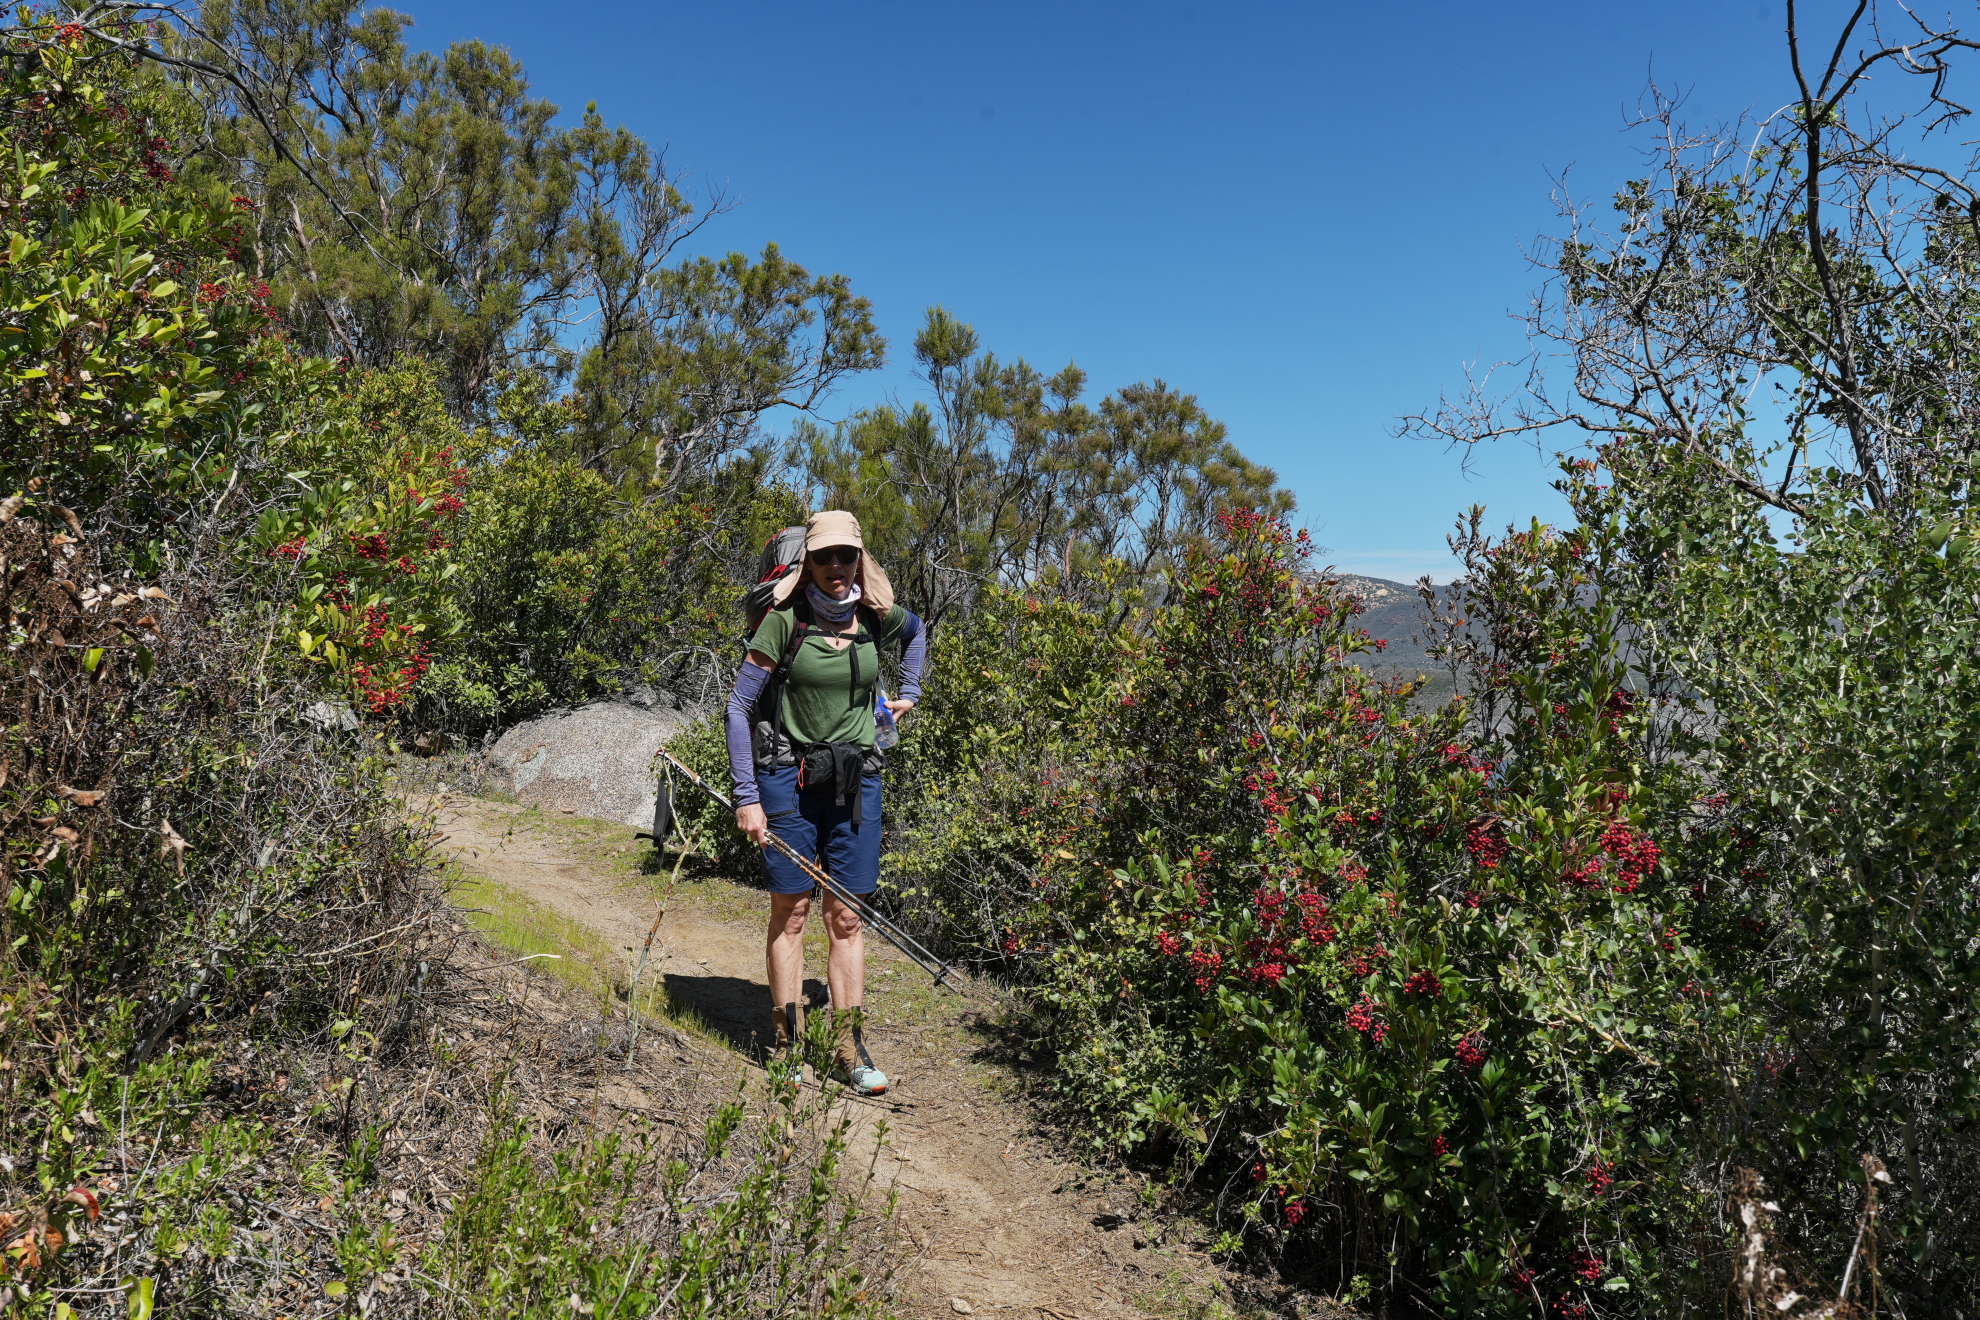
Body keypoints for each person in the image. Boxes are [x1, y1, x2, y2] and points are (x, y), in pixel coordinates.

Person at [723, 510, 926, 1095]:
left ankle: (848, 1047)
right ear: (807, 562)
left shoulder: (873, 619)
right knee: (792, 913)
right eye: (824, 557)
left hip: (856, 780)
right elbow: (739, 707)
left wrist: (904, 698)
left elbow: (916, 637)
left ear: (860, 560)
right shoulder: (785, 621)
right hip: (789, 778)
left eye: (846, 556)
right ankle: (785, 1043)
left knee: (846, 916)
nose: (836, 568)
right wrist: (748, 797)